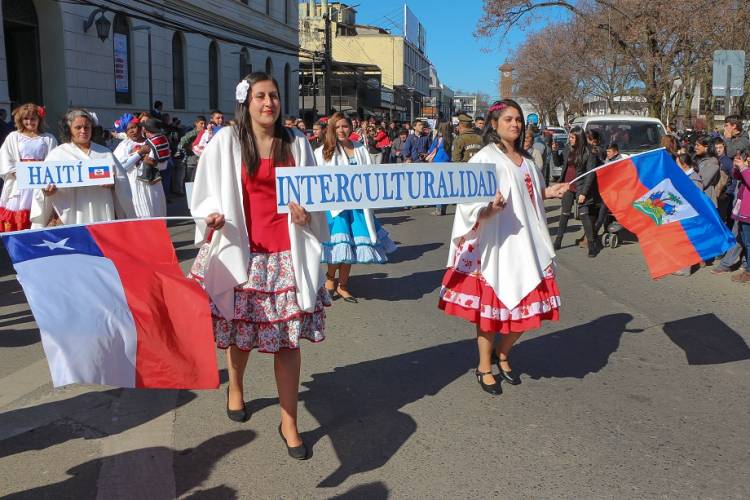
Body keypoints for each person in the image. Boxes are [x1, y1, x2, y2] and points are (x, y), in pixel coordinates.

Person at [188, 72, 329, 460]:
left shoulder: (297, 142)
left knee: (287, 340)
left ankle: (289, 421)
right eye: (261, 97)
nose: (269, 103)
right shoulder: (226, 141)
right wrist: (211, 217)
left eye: (274, 96)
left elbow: (316, 194)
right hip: (244, 251)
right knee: (240, 332)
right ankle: (236, 386)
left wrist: (308, 217)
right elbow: (205, 192)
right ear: (246, 102)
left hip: (287, 253)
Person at [438, 99, 568, 396]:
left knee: (531, 307)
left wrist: (550, 191)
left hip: (529, 244)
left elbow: (529, 196)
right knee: (490, 313)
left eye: (518, 119)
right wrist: (488, 209)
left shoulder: (528, 160)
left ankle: (503, 352)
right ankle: (484, 365)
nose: (515, 124)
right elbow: (468, 206)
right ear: (493, 124)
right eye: (508, 119)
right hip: (497, 245)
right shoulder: (484, 159)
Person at [314, 112, 397, 303]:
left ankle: (343, 285)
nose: (341, 130)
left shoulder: (360, 148)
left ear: (351, 127)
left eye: (345, 126)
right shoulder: (323, 150)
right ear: (331, 129)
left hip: (359, 207)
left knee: (352, 246)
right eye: (337, 127)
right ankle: (329, 281)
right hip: (336, 207)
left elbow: (370, 176)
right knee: (338, 245)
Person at [31, 108, 134, 227]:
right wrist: (47, 191)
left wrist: (114, 183)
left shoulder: (105, 153)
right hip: (70, 215)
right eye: (78, 127)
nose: (83, 131)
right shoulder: (57, 155)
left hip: (101, 213)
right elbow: (41, 186)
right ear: (69, 129)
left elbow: (123, 182)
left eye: (87, 127)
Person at [0, 103, 57, 232]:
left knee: (41, 217)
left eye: (33, 119)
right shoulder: (13, 137)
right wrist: (17, 173)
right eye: (26, 119)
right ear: (20, 120)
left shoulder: (48, 139)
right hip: (20, 183)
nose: (29, 122)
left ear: (39, 120)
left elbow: (54, 160)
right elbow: (5, 157)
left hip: (41, 183)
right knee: (19, 221)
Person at [552, 126, 599, 256]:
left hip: (581, 187)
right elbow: (559, 163)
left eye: (572, 137)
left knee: (584, 215)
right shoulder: (568, 148)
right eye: (569, 137)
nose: (569, 139)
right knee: (565, 214)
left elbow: (591, 174)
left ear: (579, 138)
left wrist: (583, 193)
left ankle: (592, 244)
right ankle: (558, 242)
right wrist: (555, 151)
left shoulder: (589, 152)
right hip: (568, 186)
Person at [113, 118, 167, 218]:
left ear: (140, 128)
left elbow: (164, 164)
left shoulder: (152, 141)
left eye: (134, 127)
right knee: (139, 215)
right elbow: (121, 167)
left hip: (152, 183)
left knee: (155, 212)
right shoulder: (123, 145)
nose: (132, 131)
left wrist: (153, 163)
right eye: (129, 129)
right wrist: (139, 153)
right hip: (133, 184)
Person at [728, 153, 750, 283]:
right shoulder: (746, 168)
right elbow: (737, 177)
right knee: (745, 242)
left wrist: (743, 168)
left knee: (749, 243)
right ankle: (747, 269)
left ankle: (748, 273)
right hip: (743, 211)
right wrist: (736, 167)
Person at [593, 142, 622, 240]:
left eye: (609, 151)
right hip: (606, 191)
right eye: (607, 151)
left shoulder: (620, 162)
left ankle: (594, 233)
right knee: (605, 213)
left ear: (616, 152)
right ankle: (604, 229)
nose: (608, 153)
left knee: (604, 212)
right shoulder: (607, 160)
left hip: (614, 193)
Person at [427, 121, 453, 216]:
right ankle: (443, 208)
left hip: (437, 163)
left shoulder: (439, 138)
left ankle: (438, 209)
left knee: (438, 186)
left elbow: (431, 149)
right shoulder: (451, 138)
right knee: (445, 186)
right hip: (448, 163)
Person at [693, 136, 720, 206]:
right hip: (698, 198)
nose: (695, 147)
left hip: (706, 201)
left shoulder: (712, 162)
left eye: (698, 145)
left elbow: (702, 183)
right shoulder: (697, 159)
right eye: (695, 145)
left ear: (706, 147)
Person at [179, 115, 206, 183]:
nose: (203, 125)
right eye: (201, 123)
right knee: (190, 182)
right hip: (192, 162)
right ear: (196, 123)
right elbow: (181, 143)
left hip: (202, 162)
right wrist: (190, 147)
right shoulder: (191, 133)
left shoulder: (206, 133)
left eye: (204, 124)